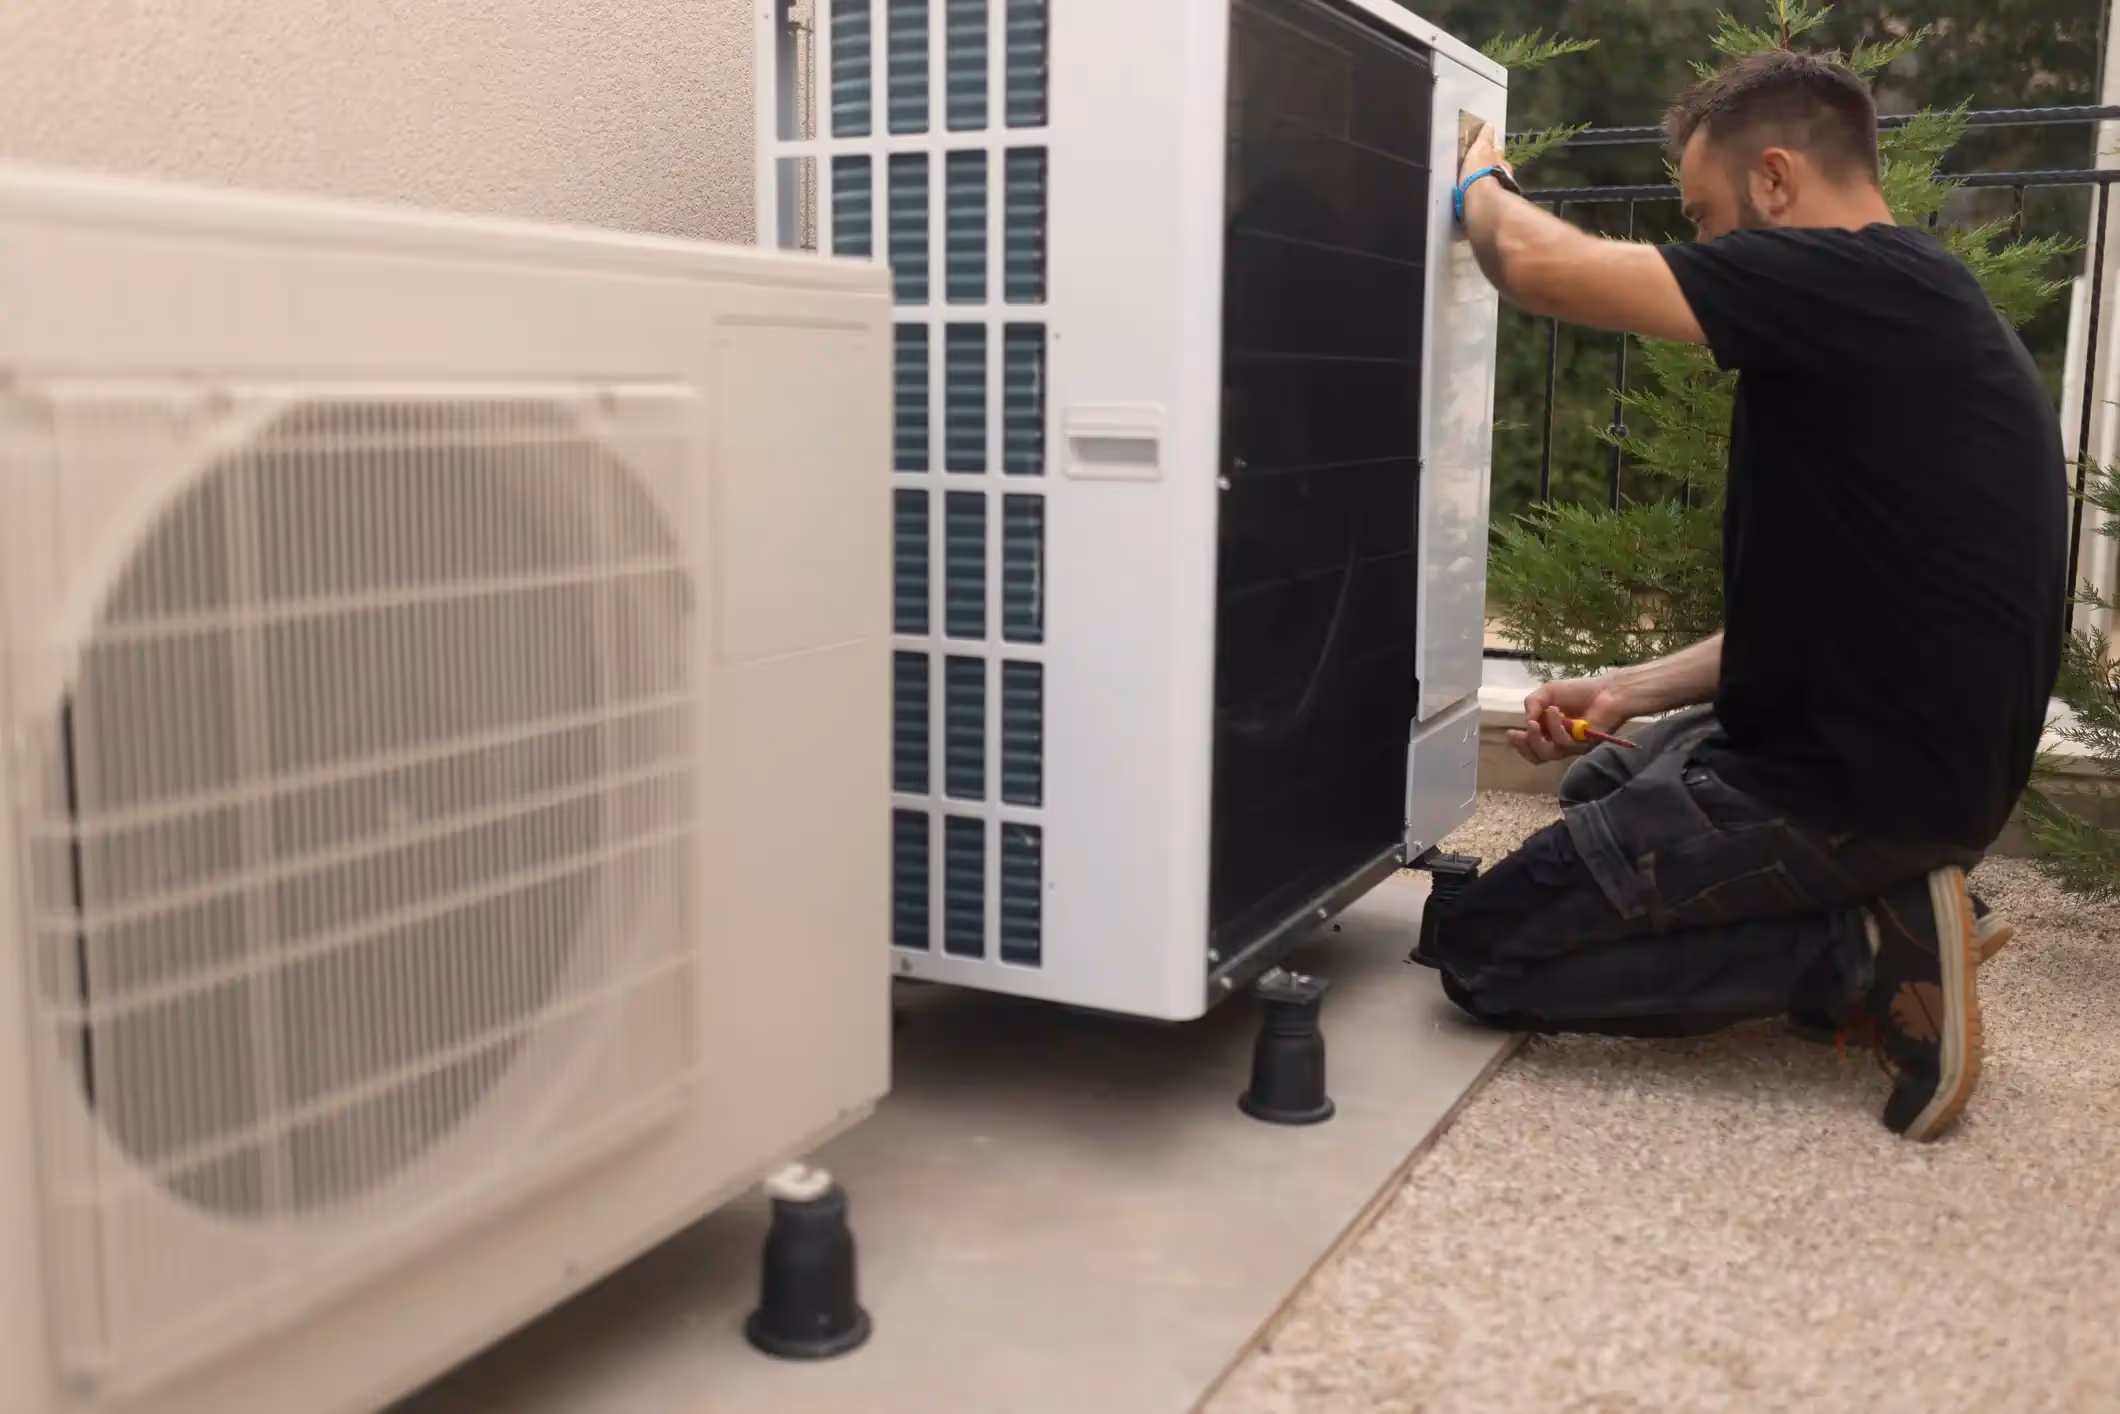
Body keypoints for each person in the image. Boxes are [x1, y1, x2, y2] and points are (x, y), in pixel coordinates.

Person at [1429, 49, 2066, 1142]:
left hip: (1852, 789)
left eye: (1704, 215)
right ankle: (1887, 900)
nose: (1702, 247)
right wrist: (1632, 684)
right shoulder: (1898, 311)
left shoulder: (1851, 280)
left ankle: (1857, 947)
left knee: (1481, 946)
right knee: (1599, 780)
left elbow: (1538, 269)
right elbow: (1844, 604)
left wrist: (1476, 174)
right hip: (1883, 753)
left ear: (1776, 181)